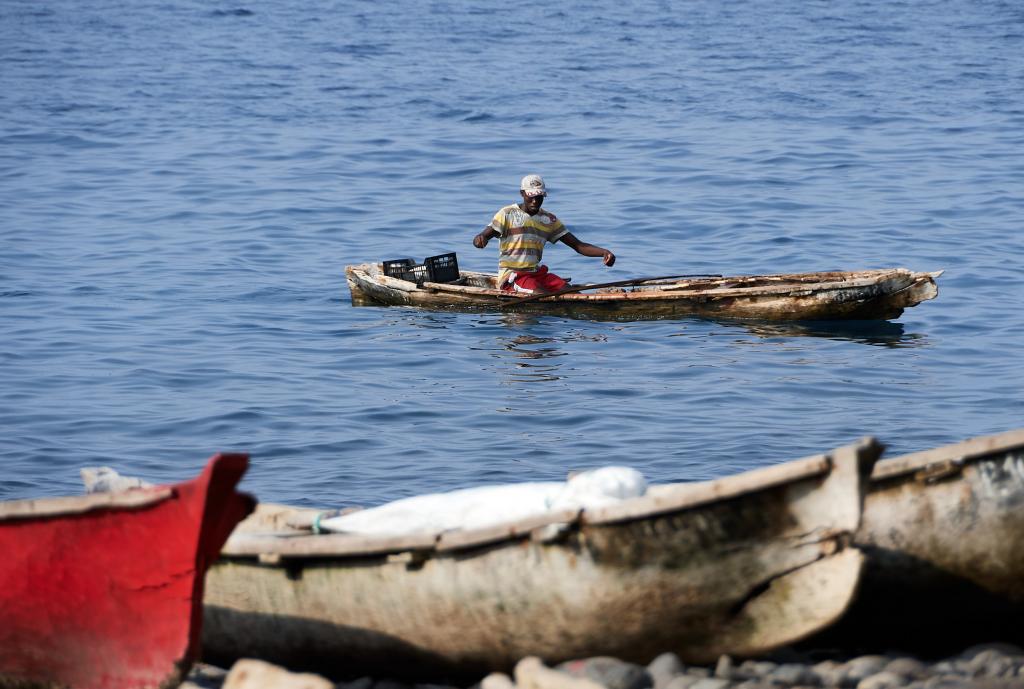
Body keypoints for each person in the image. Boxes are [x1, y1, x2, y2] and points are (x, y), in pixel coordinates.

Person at [472, 174, 615, 293]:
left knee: (569, 291)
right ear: (522, 193)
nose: (535, 201)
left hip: (537, 274)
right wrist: (480, 240)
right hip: (513, 276)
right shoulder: (507, 214)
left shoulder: (549, 220)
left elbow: (578, 245)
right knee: (542, 295)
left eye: (539, 197)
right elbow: (483, 236)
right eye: (531, 196)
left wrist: (604, 252)